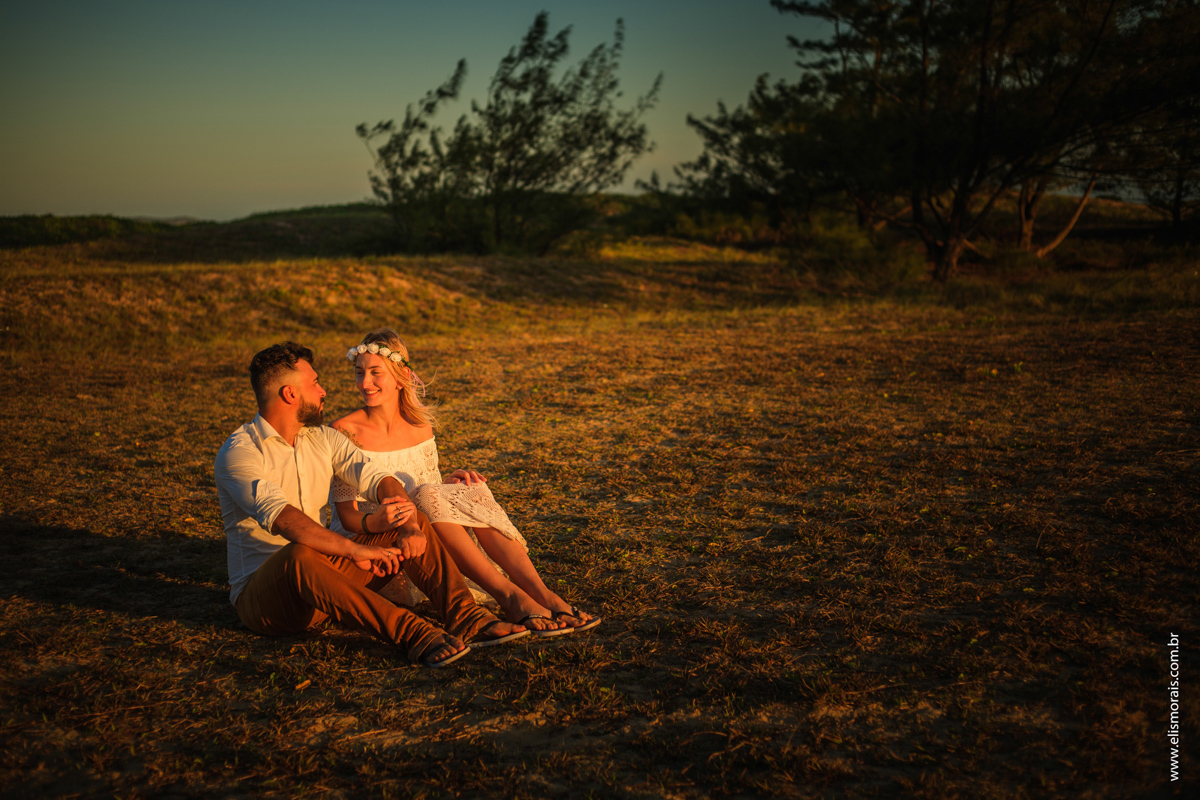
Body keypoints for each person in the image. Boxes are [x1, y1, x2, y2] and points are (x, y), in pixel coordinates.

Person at [213, 341, 528, 668]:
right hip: (267, 601)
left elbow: (380, 480)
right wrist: (354, 551)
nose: (323, 392)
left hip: (328, 581)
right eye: (315, 383)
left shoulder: (323, 438)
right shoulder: (240, 453)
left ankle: (467, 617)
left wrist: (407, 526)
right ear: (290, 394)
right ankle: (413, 633)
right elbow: (285, 520)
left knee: (412, 515)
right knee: (297, 553)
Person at [329, 329, 601, 637]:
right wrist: (381, 519)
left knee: (470, 488)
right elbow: (345, 516)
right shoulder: (343, 430)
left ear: (399, 375)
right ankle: (509, 597)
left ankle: (540, 593)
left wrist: (448, 485)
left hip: (422, 530)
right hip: (379, 540)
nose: (365, 383)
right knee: (432, 495)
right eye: (359, 373)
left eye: (375, 373)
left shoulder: (420, 426)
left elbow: (426, 490)